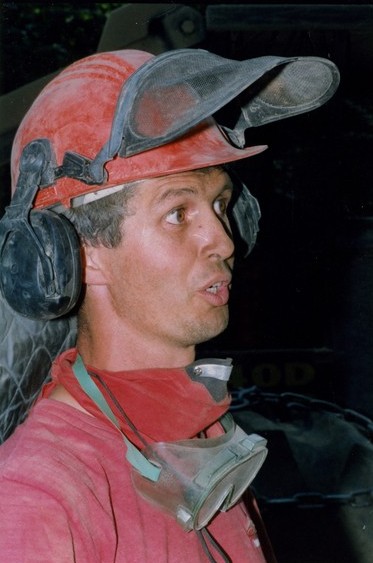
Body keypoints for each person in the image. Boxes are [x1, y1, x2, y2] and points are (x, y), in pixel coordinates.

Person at [0, 48, 339, 562]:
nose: (223, 242)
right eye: (178, 212)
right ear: (78, 254)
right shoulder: (37, 495)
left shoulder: (201, 439)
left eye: (221, 205)